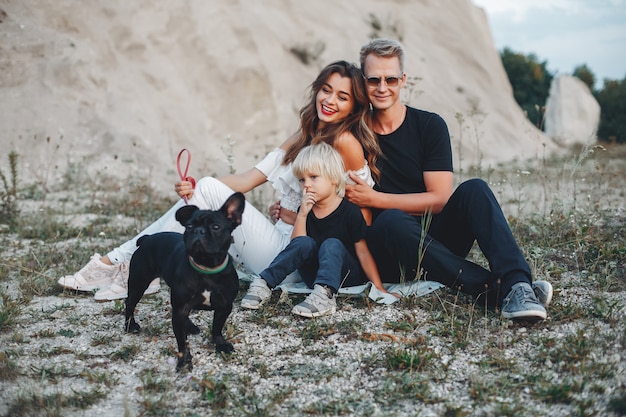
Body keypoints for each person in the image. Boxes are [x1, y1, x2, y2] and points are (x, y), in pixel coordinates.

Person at [57, 60, 382, 301]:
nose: (330, 100)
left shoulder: (345, 143)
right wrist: (196, 188)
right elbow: (247, 179)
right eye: (326, 90)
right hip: (275, 239)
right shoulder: (305, 133)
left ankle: (116, 262)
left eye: (342, 96)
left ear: (354, 106)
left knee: (210, 191)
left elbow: (358, 221)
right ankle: (129, 264)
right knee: (206, 189)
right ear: (317, 90)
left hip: (297, 257)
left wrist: (300, 217)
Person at [343, 38, 553, 322]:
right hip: (388, 251)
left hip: (436, 240)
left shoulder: (429, 126)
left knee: (475, 189)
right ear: (362, 82)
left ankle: (517, 283)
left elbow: (439, 199)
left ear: (403, 80)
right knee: (391, 220)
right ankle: (497, 289)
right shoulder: (354, 134)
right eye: (373, 80)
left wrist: (375, 198)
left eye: (390, 79)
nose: (382, 87)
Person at [240, 143, 397, 317]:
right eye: (302, 180)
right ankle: (264, 283)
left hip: (345, 276)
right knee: (304, 242)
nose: (306, 185)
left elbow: (363, 253)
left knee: (331, 244)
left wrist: (379, 287)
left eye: (313, 177)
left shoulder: (349, 211)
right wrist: (302, 215)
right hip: (313, 276)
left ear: (333, 178)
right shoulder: (306, 209)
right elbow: (296, 247)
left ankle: (325, 296)